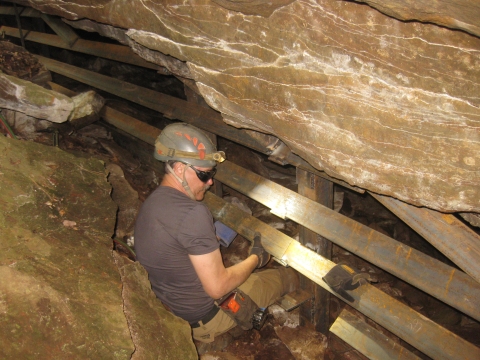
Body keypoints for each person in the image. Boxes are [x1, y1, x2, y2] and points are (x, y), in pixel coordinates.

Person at [134, 122, 297, 344]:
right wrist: (256, 258)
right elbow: (217, 287)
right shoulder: (193, 213)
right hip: (204, 317)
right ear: (180, 169)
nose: (210, 182)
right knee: (281, 278)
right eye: (204, 175)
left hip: (173, 305)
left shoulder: (153, 202)